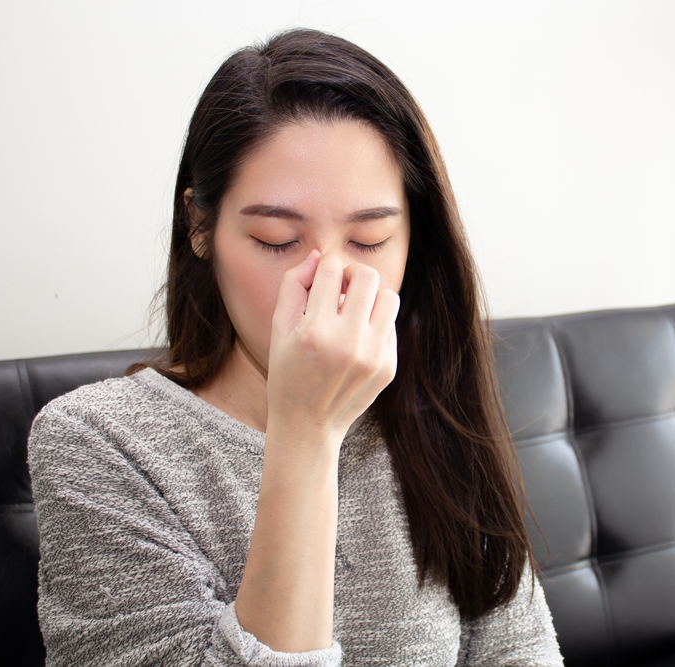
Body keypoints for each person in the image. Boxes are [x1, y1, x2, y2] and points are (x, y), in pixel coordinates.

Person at [28, 28, 563, 666]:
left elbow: (520, 652)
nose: (326, 283)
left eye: (368, 242)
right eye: (278, 239)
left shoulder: (433, 413)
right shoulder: (97, 442)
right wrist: (306, 433)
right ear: (201, 226)